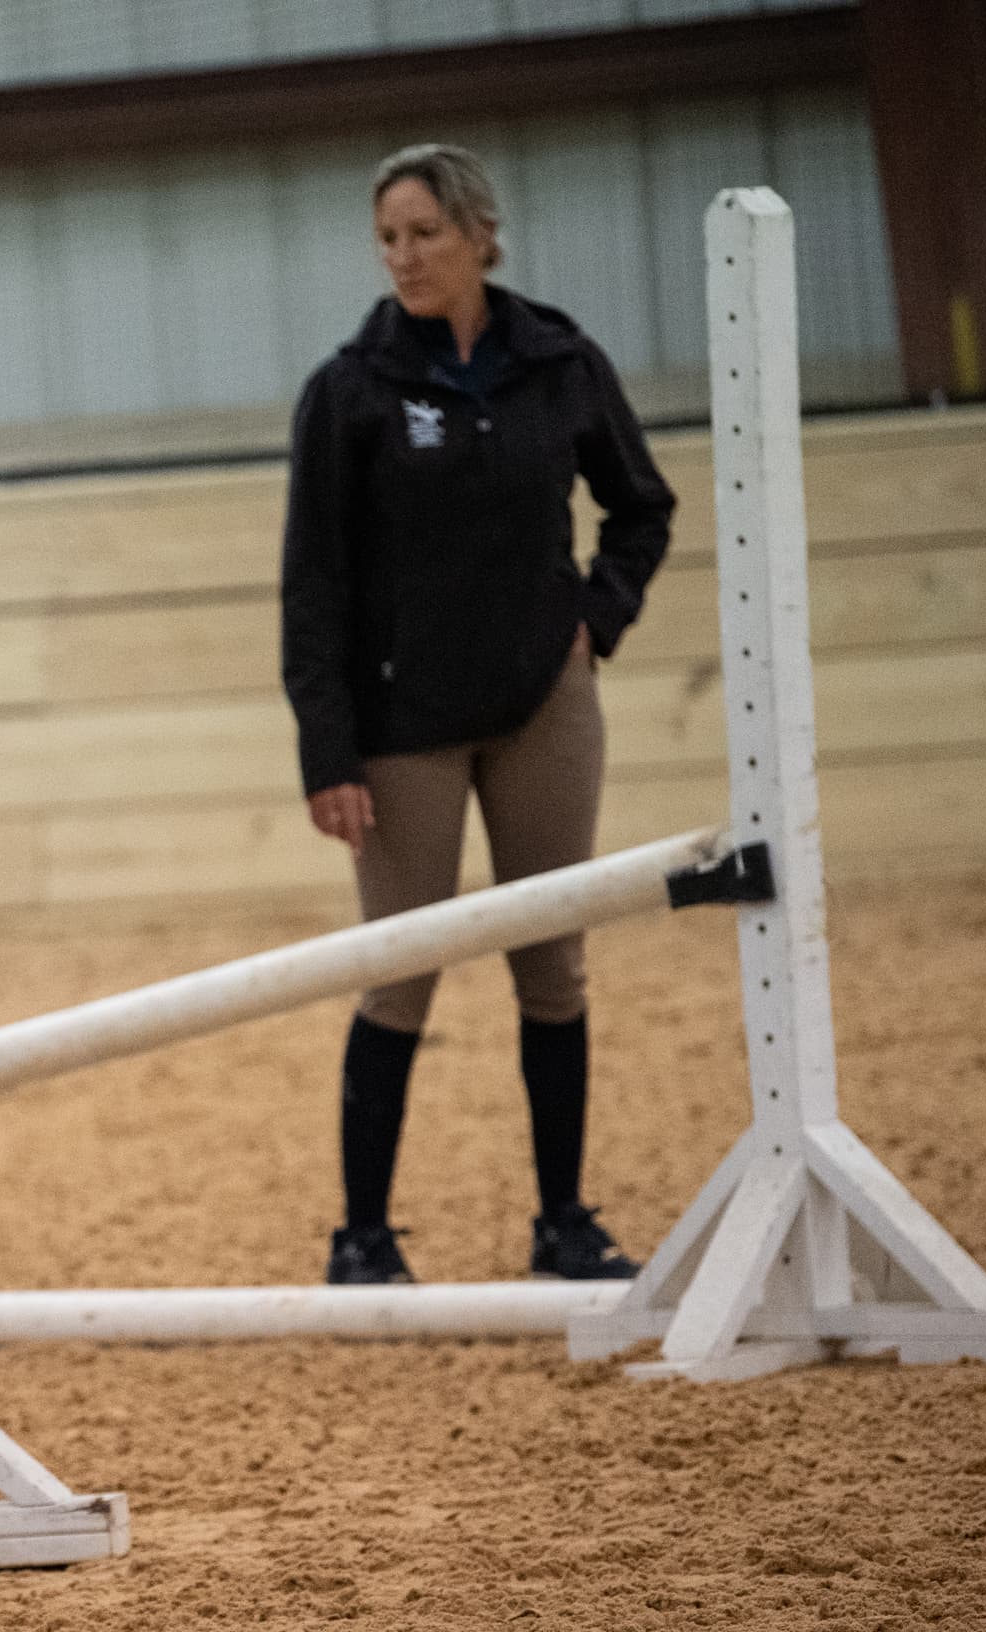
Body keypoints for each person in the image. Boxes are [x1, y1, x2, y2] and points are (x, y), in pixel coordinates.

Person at [280, 144, 675, 1287]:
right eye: (386, 239)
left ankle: (562, 1222)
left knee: (552, 965)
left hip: (543, 706)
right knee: (398, 972)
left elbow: (639, 506)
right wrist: (326, 749)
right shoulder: (347, 391)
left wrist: (594, 617)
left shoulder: (559, 362)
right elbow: (312, 583)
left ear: (478, 236)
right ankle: (361, 1236)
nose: (402, 258)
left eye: (423, 234)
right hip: (400, 725)